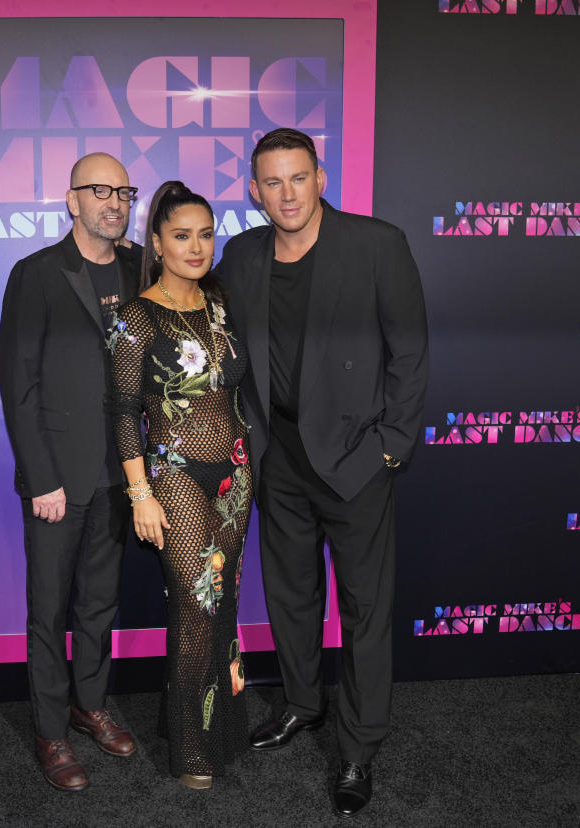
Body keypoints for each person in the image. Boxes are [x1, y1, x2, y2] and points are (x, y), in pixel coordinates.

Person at [216, 129, 429, 818]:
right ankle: (304, 705)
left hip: (355, 460)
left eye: (298, 179)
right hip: (278, 456)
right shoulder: (242, 254)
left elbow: (410, 353)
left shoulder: (376, 245)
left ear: (320, 177)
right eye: (271, 182)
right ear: (254, 190)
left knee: (364, 611)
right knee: (291, 595)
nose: (286, 194)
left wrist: (389, 448)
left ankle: (359, 745)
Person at [0, 152, 141, 792]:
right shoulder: (36, 274)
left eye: (124, 191)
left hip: (124, 474)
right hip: (58, 476)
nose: (114, 201)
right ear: (71, 199)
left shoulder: (144, 266)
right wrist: (41, 476)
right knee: (49, 608)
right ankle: (51, 731)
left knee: (101, 603)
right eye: (100, 190)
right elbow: (19, 384)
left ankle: (90, 704)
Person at [109, 181, 252, 790]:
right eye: (181, 236)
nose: (196, 247)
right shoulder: (134, 315)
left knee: (224, 609)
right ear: (159, 243)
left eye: (205, 234)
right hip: (175, 477)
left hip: (237, 474)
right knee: (195, 607)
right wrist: (140, 494)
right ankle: (193, 751)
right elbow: (120, 412)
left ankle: (215, 726)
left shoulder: (219, 303)